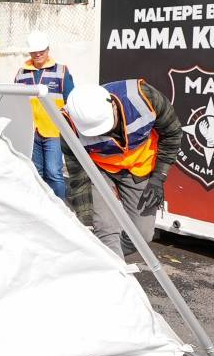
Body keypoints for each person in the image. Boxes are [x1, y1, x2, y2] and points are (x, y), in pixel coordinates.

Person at [61, 80, 182, 256]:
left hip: (139, 167)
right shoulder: (67, 123)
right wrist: (86, 219)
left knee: (142, 235)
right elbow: (77, 174)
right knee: (105, 228)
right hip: (99, 169)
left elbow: (172, 133)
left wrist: (158, 176)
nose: (102, 134)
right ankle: (114, 270)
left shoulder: (144, 98)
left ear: (113, 106)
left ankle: (109, 259)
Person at [14, 31, 75, 200]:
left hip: (54, 131)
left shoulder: (61, 71)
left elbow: (71, 100)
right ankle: (41, 210)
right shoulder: (21, 73)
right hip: (31, 131)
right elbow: (16, 101)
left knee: (54, 172)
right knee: (36, 173)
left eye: (41, 50)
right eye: (34, 51)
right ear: (29, 52)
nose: (38, 54)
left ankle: (61, 211)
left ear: (48, 49)